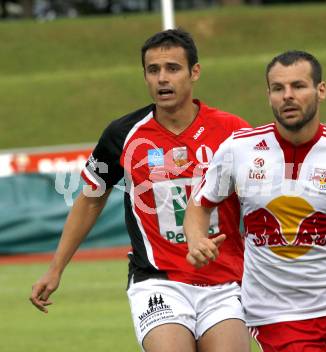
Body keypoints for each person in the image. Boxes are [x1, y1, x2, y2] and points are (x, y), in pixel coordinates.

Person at [29, 29, 251, 352]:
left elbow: (259, 199)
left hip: (224, 280)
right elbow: (90, 200)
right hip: (157, 281)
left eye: (173, 68)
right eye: (153, 70)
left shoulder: (233, 131)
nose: (162, 78)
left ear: (195, 72)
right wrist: (56, 268)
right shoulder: (123, 135)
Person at [184, 50, 326, 352]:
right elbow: (200, 203)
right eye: (278, 89)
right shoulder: (238, 149)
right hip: (276, 315)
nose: (288, 96)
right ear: (269, 95)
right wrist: (195, 238)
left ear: (321, 91)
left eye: (298, 86)